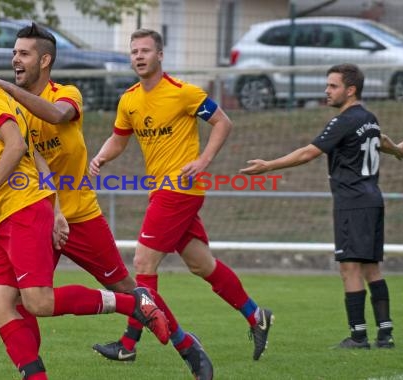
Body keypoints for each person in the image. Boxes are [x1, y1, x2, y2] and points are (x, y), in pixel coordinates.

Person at [0, 23, 213, 380]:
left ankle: (185, 344)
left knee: (126, 289)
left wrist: (7, 87)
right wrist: (52, 210)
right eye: (13, 54)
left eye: (23, 54)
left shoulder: (67, 93)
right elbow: (28, 157)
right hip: (37, 215)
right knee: (14, 300)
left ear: (45, 60)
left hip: (81, 217)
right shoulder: (10, 107)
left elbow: (57, 115)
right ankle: (32, 371)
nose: (15, 60)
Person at [0, 35, 170, 380]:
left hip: (23, 210)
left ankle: (133, 303)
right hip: (10, 215)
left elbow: (16, 146)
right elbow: (36, 155)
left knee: (38, 302)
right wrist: (57, 210)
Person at [89, 28, 274, 362]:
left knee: (143, 263)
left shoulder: (183, 93)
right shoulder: (129, 99)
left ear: (160, 55)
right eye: (134, 52)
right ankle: (256, 315)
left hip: (179, 190)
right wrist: (101, 156)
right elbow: (119, 139)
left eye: (146, 50)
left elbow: (223, 122)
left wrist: (203, 161)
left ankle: (128, 345)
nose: (139, 56)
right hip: (162, 190)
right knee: (201, 264)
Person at [240, 63, 403, 349]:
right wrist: (396, 150)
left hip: (353, 202)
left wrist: (269, 165)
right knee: (371, 268)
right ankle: (385, 334)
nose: (326, 91)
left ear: (350, 89)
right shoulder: (368, 118)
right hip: (372, 199)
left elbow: (308, 153)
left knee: (349, 269)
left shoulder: (343, 121)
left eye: (333, 86)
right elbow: (379, 140)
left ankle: (358, 337)